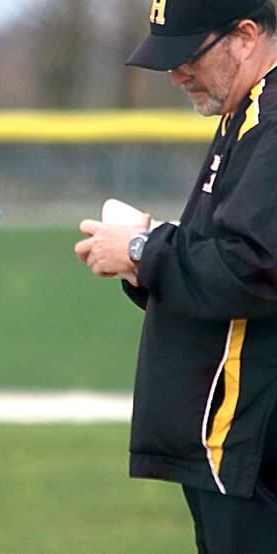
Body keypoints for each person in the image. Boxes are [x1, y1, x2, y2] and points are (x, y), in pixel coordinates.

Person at [75, 0, 277, 551]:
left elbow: (254, 270)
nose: (175, 72)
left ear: (245, 35)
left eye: (190, 53)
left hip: (248, 433)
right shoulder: (245, 112)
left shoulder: (271, 120)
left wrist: (144, 250)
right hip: (232, 439)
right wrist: (152, 244)